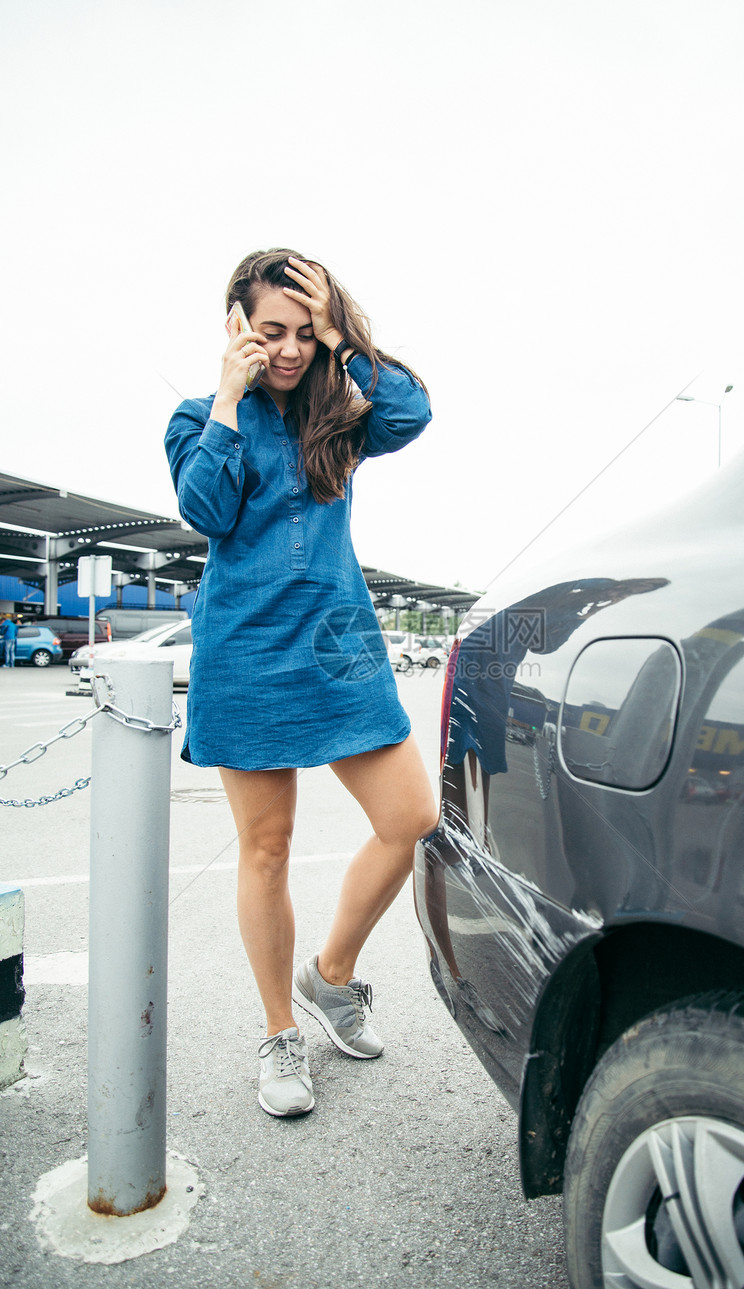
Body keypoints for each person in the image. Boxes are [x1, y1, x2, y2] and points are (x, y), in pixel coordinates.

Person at [165, 249, 437, 1118]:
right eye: (269, 330)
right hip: (243, 653)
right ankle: (279, 1031)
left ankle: (332, 975)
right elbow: (206, 510)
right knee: (267, 847)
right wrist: (227, 400)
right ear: (239, 327)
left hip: (337, 646)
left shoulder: (342, 416)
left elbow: (413, 410)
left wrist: (345, 337)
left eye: (301, 331)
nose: (287, 349)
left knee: (410, 818)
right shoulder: (198, 417)